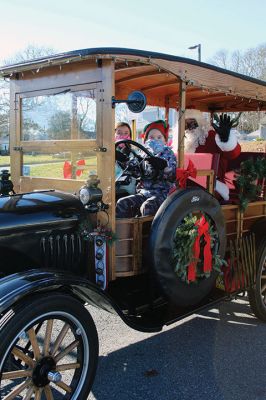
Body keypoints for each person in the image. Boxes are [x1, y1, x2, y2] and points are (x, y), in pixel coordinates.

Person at [116, 120, 177, 218]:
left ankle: (147, 233)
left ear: (165, 140)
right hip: (144, 192)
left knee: (147, 206)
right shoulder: (142, 154)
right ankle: (122, 231)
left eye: (159, 137)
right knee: (122, 203)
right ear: (146, 140)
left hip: (163, 193)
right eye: (151, 137)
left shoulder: (168, 154)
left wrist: (164, 167)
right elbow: (135, 171)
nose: (155, 140)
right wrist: (123, 161)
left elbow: (173, 176)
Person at [184, 110, 241, 200]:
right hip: (184, 186)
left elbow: (233, 153)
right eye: (185, 125)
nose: (189, 129)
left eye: (192, 124)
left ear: (199, 123)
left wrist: (226, 140)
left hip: (211, 186)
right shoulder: (179, 142)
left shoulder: (212, 137)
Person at [115, 122, 137, 196]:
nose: (123, 136)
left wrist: (125, 161)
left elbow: (135, 170)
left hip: (127, 187)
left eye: (126, 133)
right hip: (111, 185)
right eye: (119, 133)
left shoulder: (134, 152)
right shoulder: (109, 152)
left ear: (130, 136)